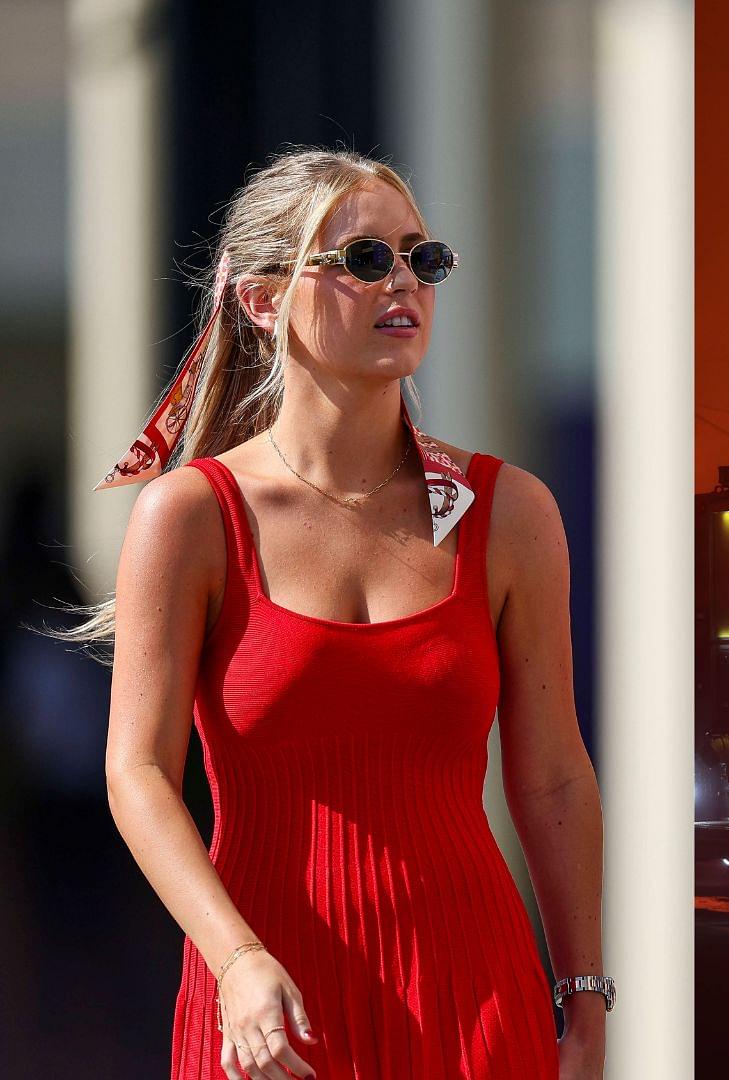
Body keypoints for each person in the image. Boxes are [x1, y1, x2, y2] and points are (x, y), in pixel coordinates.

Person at [74, 149, 608, 1077]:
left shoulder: (507, 512)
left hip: (472, 992)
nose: (402, 281)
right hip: (266, 1006)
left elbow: (554, 776)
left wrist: (586, 996)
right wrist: (234, 960)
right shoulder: (193, 517)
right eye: (364, 259)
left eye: (423, 259)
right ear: (264, 299)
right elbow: (137, 773)